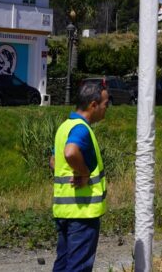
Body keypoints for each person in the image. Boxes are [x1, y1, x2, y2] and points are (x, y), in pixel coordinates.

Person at [52, 80, 109, 272]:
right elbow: (70, 152)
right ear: (93, 105)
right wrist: (84, 174)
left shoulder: (64, 127)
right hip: (82, 212)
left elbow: (54, 161)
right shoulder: (81, 129)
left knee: (62, 264)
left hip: (64, 211)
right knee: (78, 268)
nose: (106, 109)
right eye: (105, 105)